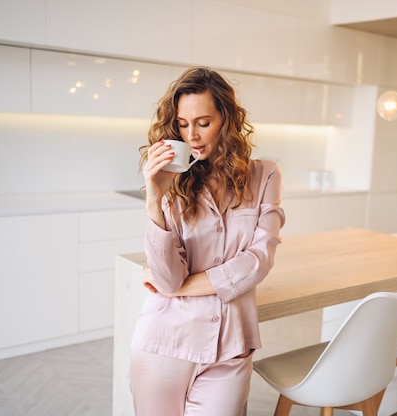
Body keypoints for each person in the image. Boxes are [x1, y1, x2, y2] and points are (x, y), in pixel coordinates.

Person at [129, 66, 286, 415]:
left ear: (226, 120)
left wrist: (178, 288)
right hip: (165, 344)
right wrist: (155, 198)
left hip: (230, 347)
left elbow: (258, 261)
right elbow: (169, 276)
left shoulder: (265, 175)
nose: (192, 135)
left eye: (203, 122)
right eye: (183, 125)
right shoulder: (174, 184)